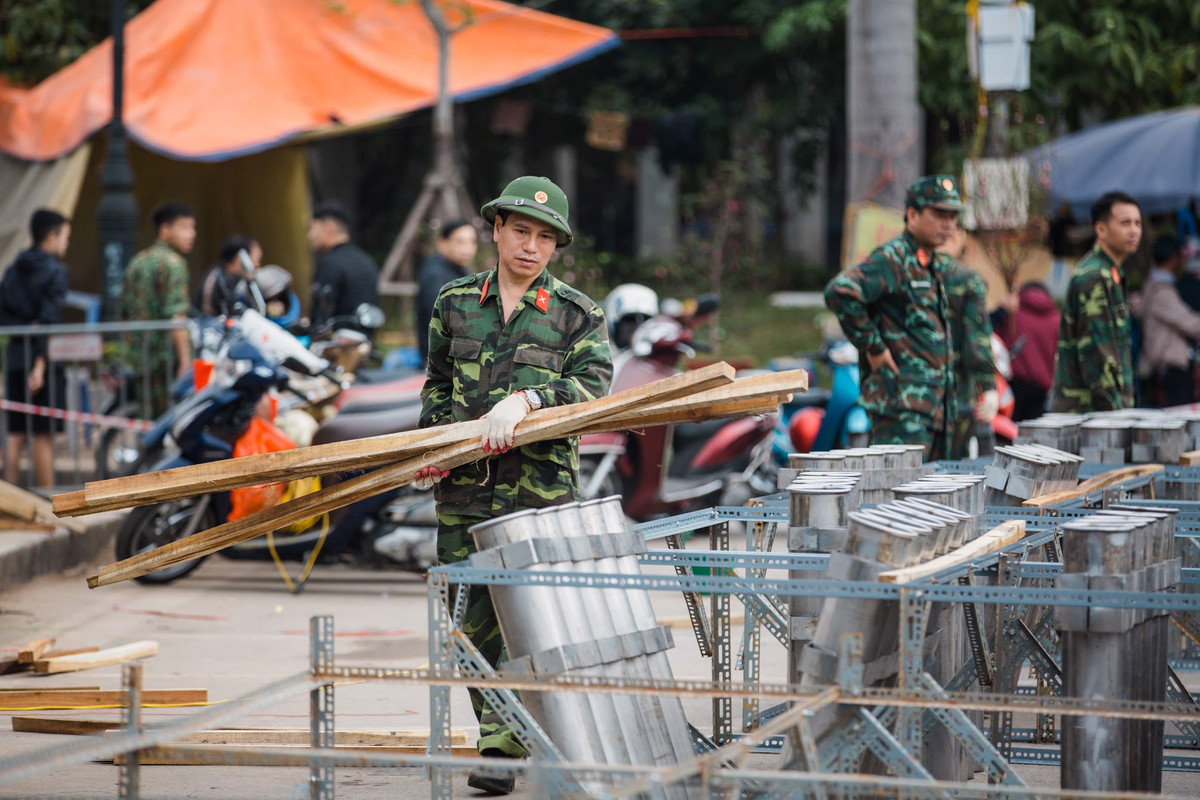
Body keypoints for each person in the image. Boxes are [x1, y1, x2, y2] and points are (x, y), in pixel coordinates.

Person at [416, 176, 612, 795]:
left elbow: (593, 387)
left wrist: (529, 399)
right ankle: (503, 729)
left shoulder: (578, 314)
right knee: (469, 621)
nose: (531, 246)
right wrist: (434, 444)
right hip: (465, 489)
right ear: (496, 229)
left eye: (545, 238)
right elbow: (436, 383)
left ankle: (503, 744)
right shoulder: (454, 303)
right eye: (521, 231)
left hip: (539, 492)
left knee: (531, 617)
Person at [824, 174, 961, 461]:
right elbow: (841, 291)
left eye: (952, 216)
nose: (948, 223)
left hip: (934, 408)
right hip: (902, 409)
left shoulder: (929, 262)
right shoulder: (893, 258)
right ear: (912, 215)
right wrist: (873, 347)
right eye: (939, 214)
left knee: (935, 488)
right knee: (902, 489)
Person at [1050, 191, 1142, 412]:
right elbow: (1098, 357)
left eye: (1138, 223)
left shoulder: (1110, 273)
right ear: (1101, 230)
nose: (1134, 230)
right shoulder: (1094, 277)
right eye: (1125, 223)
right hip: (1088, 415)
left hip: (1101, 415)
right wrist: (1117, 415)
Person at [0, 209, 70, 487]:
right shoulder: (56, 271)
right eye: (66, 237)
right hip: (43, 362)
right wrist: (40, 365)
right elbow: (49, 321)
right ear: (51, 236)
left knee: (15, 433)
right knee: (43, 434)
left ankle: (6, 499)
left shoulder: (13, 269)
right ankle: (48, 501)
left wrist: (25, 326)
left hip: (16, 356)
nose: (67, 244)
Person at [119, 201, 196, 418]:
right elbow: (177, 316)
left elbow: (123, 314)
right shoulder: (174, 263)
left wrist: (134, 351)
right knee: (173, 419)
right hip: (167, 360)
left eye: (193, 228)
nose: (191, 234)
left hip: (141, 359)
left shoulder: (137, 262)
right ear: (165, 230)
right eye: (184, 227)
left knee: (148, 421)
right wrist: (185, 362)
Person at [938, 226, 997, 459]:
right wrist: (988, 386)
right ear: (957, 234)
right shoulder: (967, 279)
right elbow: (977, 340)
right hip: (957, 392)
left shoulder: (907, 273)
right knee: (951, 468)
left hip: (911, 395)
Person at [1135, 235, 1200, 407]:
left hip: (1165, 365)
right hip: (1171, 365)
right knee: (1177, 413)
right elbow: (1189, 324)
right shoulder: (1161, 291)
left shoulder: (1151, 285)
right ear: (1174, 259)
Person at [307, 200, 380, 333]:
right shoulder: (366, 260)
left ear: (329, 228)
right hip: (365, 339)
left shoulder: (329, 263)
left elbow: (320, 318)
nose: (310, 236)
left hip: (335, 341)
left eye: (312, 229)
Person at [990, 282, 1060, 421]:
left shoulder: (1013, 312)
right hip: (1042, 386)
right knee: (1035, 428)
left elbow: (993, 336)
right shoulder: (1056, 318)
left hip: (1015, 384)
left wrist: (1001, 309)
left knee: (1012, 429)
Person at [416, 219, 477, 362]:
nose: (468, 248)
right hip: (441, 360)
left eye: (472, 242)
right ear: (442, 243)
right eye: (460, 242)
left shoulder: (460, 271)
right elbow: (442, 318)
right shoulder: (435, 274)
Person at [193, 234, 261, 317]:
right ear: (239, 258)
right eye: (255, 261)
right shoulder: (219, 279)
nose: (257, 266)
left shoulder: (233, 278)